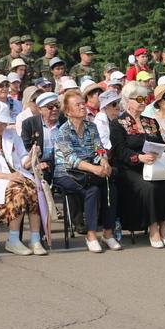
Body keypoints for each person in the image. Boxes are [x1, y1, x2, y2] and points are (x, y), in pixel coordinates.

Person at [0, 101, 47, 256]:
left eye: (4, 122)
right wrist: (9, 176)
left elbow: (23, 161)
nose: (3, 126)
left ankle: (35, 238)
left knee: (35, 189)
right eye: (0, 123)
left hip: (17, 176)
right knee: (18, 191)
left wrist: (32, 157)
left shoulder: (12, 135)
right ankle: (13, 240)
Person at [111, 81, 165, 248]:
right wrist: (139, 158)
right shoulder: (118, 123)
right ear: (127, 100)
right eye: (139, 99)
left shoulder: (150, 122)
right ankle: (153, 230)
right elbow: (120, 151)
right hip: (130, 169)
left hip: (154, 166)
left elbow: (162, 143)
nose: (143, 102)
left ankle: (164, 230)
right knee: (149, 187)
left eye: (145, 98)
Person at [53, 90, 115, 253]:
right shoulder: (63, 131)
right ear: (67, 111)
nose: (83, 107)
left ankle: (108, 233)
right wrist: (95, 169)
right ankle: (91, 235)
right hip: (66, 173)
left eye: (83, 103)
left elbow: (99, 148)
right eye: (77, 105)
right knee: (92, 191)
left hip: (88, 172)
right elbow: (71, 159)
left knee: (111, 187)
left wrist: (104, 161)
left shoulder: (91, 126)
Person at [21, 92, 65, 183]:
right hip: (39, 164)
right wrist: (38, 162)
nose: (55, 109)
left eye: (57, 105)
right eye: (50, 107)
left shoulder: (65, 122)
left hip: (62, 164)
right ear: (40, 109)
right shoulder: (29, 124)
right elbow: (25, 148)